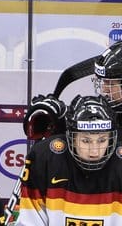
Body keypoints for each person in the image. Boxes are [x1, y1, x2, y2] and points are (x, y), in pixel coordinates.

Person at [15, 94, 122, 225]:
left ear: (112, 139)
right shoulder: (45, 158)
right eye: (85, 141)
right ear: (71, 138)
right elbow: (30, 220)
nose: (94, 151)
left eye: (102, 140)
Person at [23, 40, 122, 141]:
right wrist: (58, 118)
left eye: (111, 84)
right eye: (104, 82)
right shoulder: (107, 111)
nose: (105, 89)